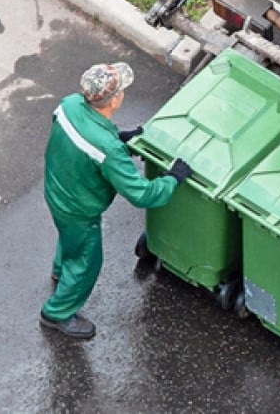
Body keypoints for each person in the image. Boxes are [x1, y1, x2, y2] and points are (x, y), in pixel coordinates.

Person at [40, 61, 193, 339]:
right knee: (87, 262)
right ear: (113, 100)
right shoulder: (106, 149)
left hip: (56, 190)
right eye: (121, 89)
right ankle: (57, 313)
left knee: (69, 239)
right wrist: (174, 178)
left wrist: (119, 138)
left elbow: (80, 138)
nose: (123, 93)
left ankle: (60, 272)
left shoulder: (69, 105)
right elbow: (142, 194)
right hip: (79, 210)